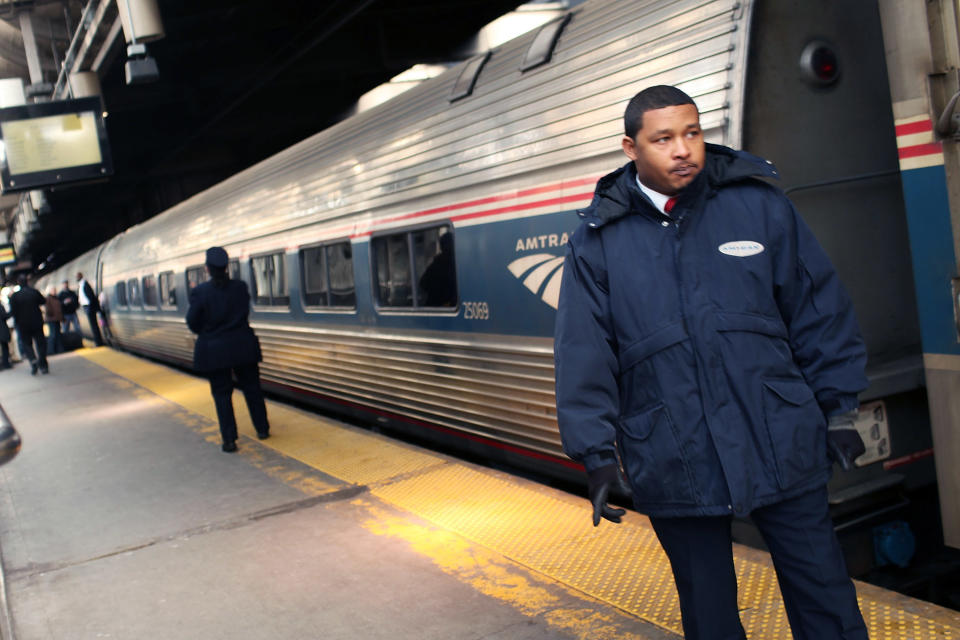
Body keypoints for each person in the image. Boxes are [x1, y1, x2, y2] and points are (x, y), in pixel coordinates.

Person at [554, 86, 869, 640]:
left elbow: (818, 307)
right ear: (631, 148)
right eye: (664, 139)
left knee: (825, 594)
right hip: (674, 450)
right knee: (709, 614)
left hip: (779, 434)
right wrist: (595, 453)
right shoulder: (597, 242)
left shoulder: (759, 206)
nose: (683, 150)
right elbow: (584, 350)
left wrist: (838, 408)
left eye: (693, 132)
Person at [186, 246, 270, 452]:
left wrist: (207, 332)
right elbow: (244, 312)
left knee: (222, 395)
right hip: (243, 346)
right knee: (252, 389)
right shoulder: (240, 287)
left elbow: (192, 322)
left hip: (215, 351)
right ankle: (262, 429)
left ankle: (230, 440)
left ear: (207, 268)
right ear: (226, 267)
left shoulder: (200, 292)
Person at [10, 275, 48, 375]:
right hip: (37, 323)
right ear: (27, 281)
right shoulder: (34, 292)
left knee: (27, 344)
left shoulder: (15, 296)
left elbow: (13, 312)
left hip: (23, 325)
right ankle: (43, 365)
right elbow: (43, 301)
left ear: (18, 282)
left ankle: (32, 360)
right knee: (41, 344)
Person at [76, 272, 104, 346]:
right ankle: (98, 341)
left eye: (78, 276)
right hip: (86, 307)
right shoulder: (81, 285)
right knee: (93, 325)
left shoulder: (85, 284)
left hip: (89, 307)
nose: (76, 278)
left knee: (94, 325)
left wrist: (92, 306)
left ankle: (98, 342)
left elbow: (90, 296)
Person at [44, 287, 64, 354]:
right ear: (50, 291)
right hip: (51, 319)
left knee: (58, 334)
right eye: (53, 290)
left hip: (57, 319)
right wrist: (52, 315)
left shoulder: (56, 298)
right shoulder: (48, 298)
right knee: (53, 335)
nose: (55, 291)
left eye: (55, 290)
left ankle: (60, 350)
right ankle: (51, 351)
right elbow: (48, 310)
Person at [0, 300, 11, 370]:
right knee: (4, 347)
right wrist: (11, 312)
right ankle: (5, 363)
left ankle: (5, 363)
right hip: (1, 329)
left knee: (4, 347)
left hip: (2, 329)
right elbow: (4, 316)